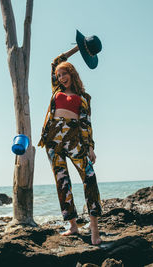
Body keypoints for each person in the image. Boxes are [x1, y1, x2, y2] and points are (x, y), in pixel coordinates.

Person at [38, 43, 102, 245]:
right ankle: (73, 225)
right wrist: (78, 49)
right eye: (58, 75)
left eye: (64, 73)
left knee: (89, 177)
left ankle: (94, 229)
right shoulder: (56, 90)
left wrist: (90, 147)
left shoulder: (83, 98)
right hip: (53, 140)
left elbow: (86, 123)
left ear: (72, 74)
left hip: (75, 140)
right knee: (62, 182)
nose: (61, 77)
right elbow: (55, 61)